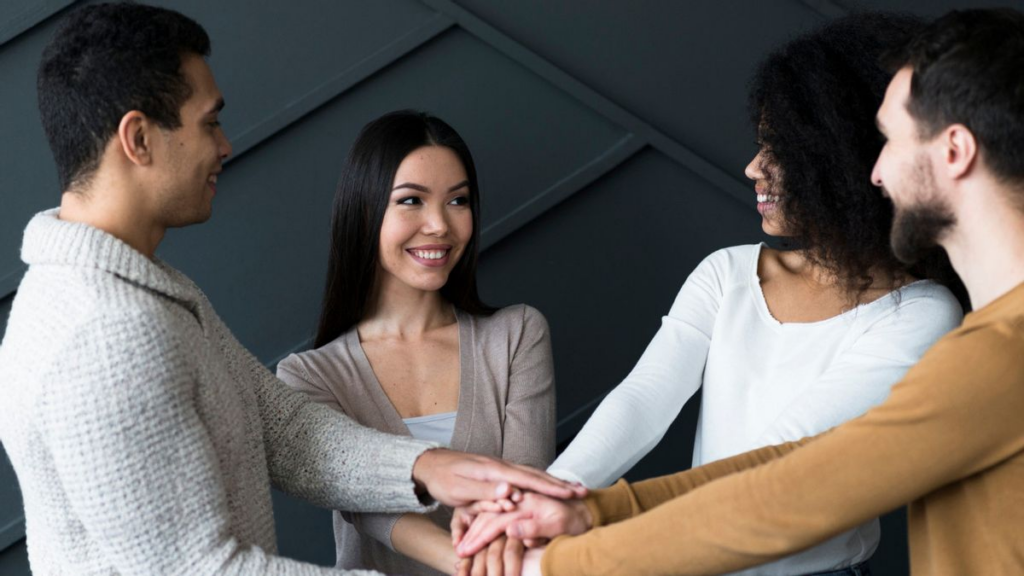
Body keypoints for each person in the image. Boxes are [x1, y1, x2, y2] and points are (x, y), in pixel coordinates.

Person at [0, 4, 582, 575]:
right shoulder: (105, 334)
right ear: (139, 139)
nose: (225, 145)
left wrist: (426, 466)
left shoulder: (150, 290)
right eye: (209, 122)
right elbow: (203, 571)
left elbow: (288, 433)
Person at [457, 7, 1024, 576]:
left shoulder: (987, 349)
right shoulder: (990, 344)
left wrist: (555, 562)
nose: (876, 171)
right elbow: (751, 449)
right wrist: (565, 506)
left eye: (891, 140)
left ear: (953, 151)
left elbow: (787, 482)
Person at [276, 110, 556, 575]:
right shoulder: (310, 376)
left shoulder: (516, 335)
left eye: (458, 200)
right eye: (411, 201)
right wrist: (462, 563)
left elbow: (524, 496)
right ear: (365, 210)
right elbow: (358, 494)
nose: (439, 226)